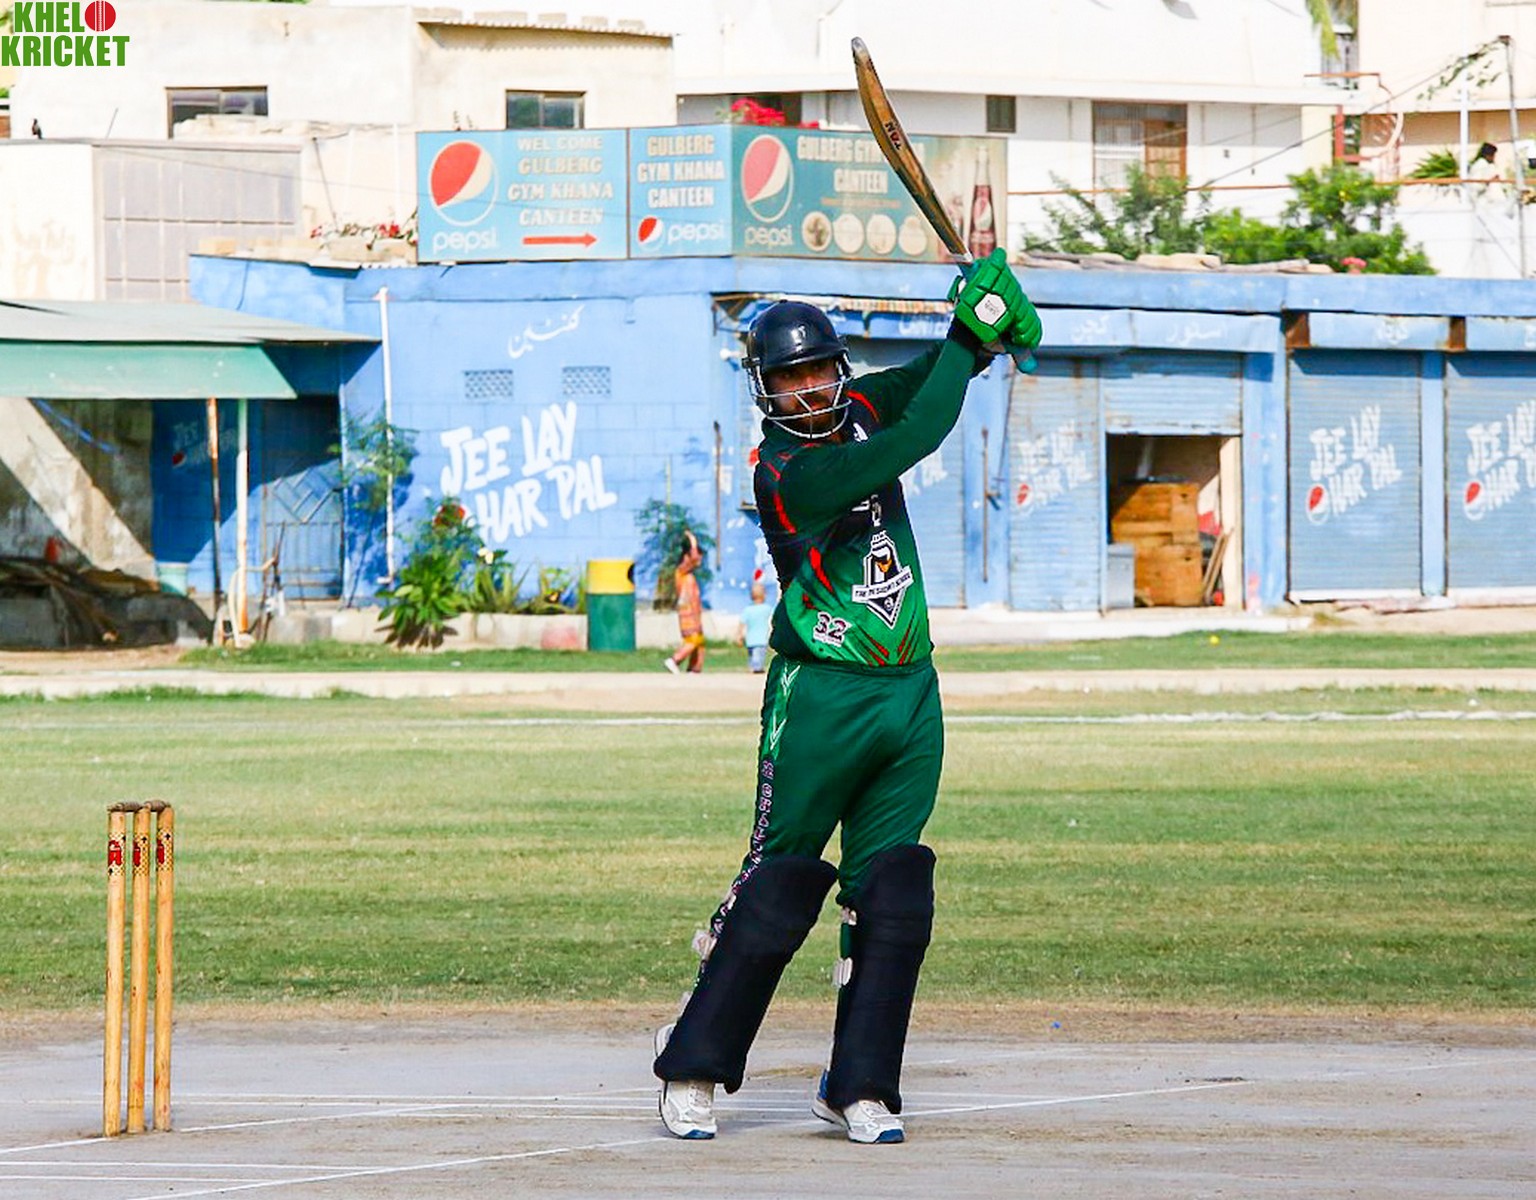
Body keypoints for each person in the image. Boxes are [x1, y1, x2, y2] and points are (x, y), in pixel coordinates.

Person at [652, 249, 1042, 1143]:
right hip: (822, 694)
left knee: (893, 891)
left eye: (820, 370)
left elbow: (928, 380)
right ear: (765, 389)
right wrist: (970, 340)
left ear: (838, 367)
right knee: (779, 884)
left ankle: (858, 1084)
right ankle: (692, 1064)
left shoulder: (859, 410)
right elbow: (920, 434)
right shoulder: (786, 474)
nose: (810, 390)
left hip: (909, 691)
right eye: (789, 378)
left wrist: (979, 330)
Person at [662, 530, 705, 674]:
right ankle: (674, 660)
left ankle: (694, 669)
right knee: (693, 640)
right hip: (687, 613)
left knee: (699, 641)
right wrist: (692, 540)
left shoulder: (689, 576)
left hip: (695, 613)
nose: (698, 561)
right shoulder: (681, 572)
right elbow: (693, 556)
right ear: (687, 557)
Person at [737, 578, 773, 674]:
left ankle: (753, 667)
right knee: (758, 657)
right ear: (764, 595)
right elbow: (774, 619)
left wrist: (739, 635)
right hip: (761, 639)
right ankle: (757, 669)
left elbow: (741, 623)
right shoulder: (767, 608)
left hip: (750, 639)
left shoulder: (748, 610)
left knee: (752, 656)